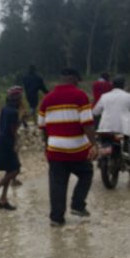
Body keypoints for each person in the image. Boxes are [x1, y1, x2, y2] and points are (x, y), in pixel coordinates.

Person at [38, 68, 98, 226]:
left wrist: (47, 146)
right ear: (75, 79)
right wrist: (94, 145)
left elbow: (42, 127)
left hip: (55, 149)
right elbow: (88, 125)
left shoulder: (47, 99)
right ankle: (78, 205)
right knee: (86, 173)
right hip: (77, 149)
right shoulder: (80, 96)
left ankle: (56, 219)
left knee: (57, 183)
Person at [92, 76, 130, 165]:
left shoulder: (104, 96)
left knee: (104, 142)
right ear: (124, 85)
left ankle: (102, 160)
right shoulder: (129, 97)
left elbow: (95, 112)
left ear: (112, 85)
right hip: (124, 130)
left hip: (106, 129)